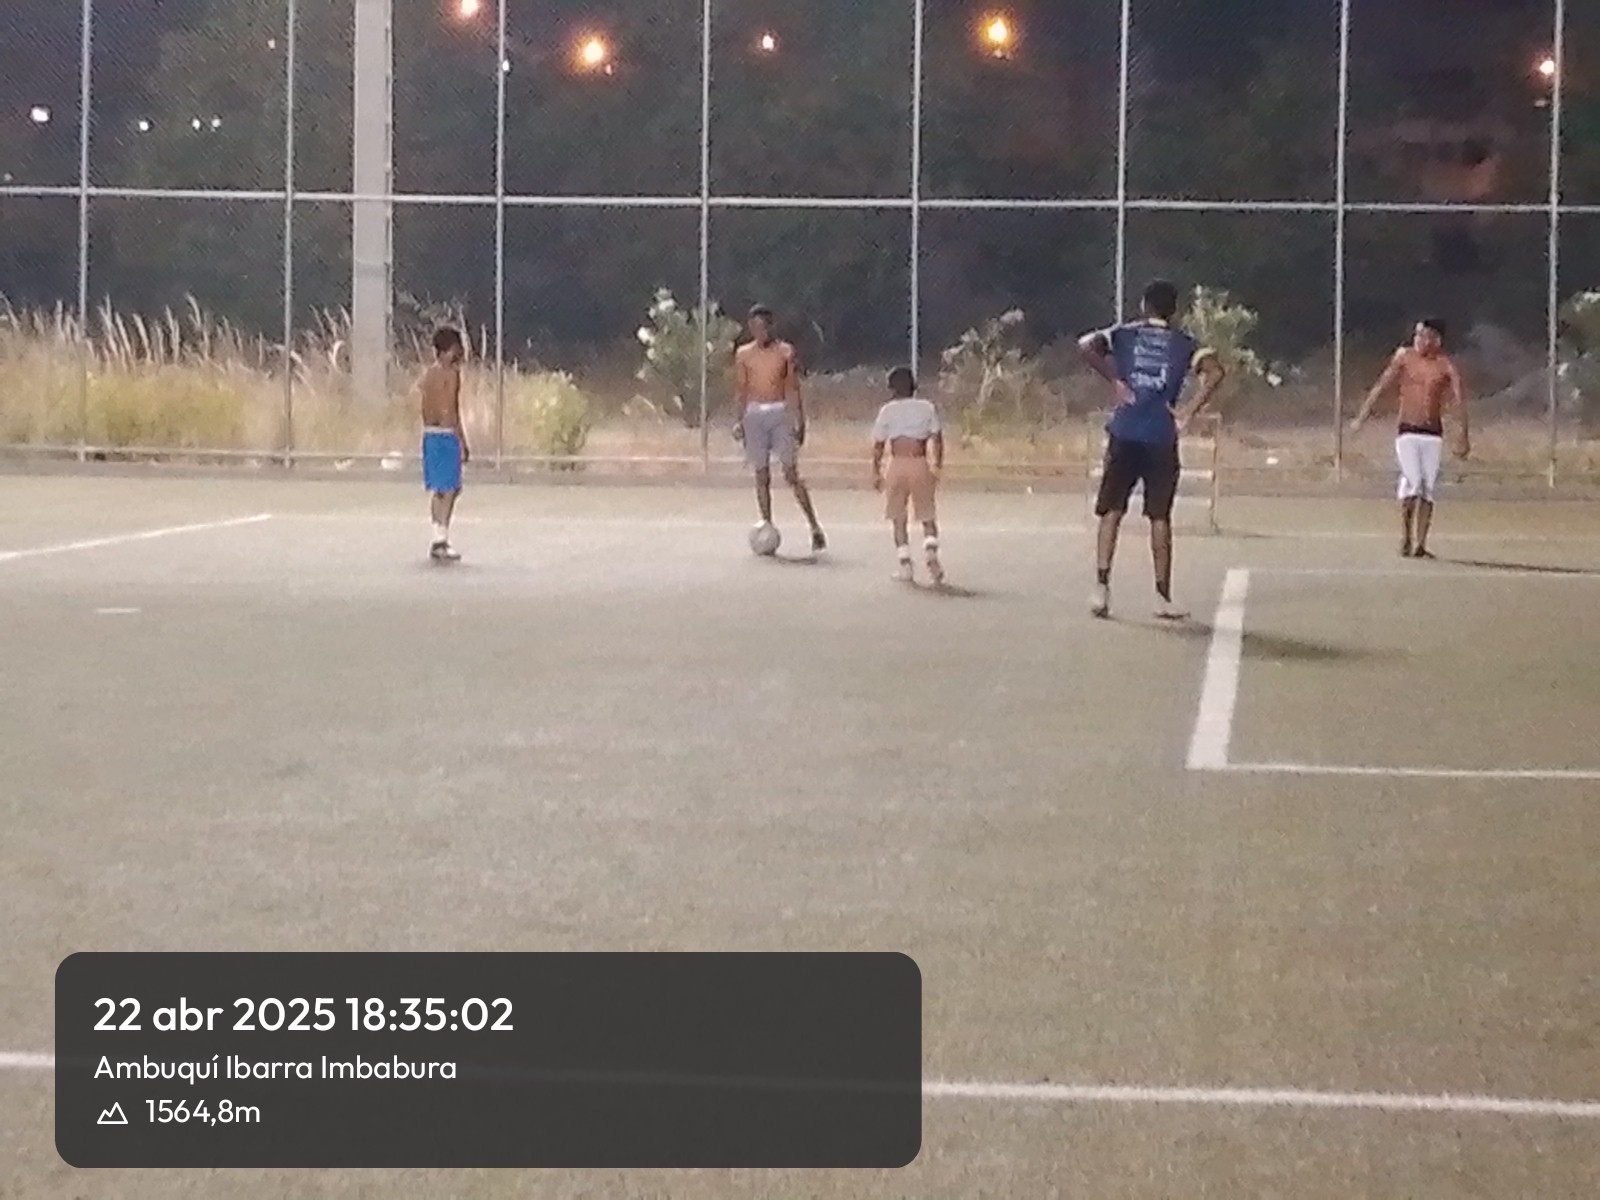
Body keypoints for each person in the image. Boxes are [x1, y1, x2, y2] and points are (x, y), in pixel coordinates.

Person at [1078, 280, 1226, 620]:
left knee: (1112, 510)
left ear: (1144, 305)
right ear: (1174, 310)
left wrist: (1114, 380)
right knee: (1160, 516)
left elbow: (1085, 346)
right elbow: (1217, 372)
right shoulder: (1185, 343)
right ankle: (1162, 596)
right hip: (1161, 436)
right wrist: (1189, 411)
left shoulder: (1124, 334)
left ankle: (1101, 588)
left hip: (1125, 432)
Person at [1349, 318, 1471, 559]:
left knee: (1426, 489)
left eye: (1424, 335)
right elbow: (1381, 386)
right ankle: (1406, 536)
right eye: (1417, 335)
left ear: (1436, 339)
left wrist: (1463, 434)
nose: (1419, 340)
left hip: (1432, 434)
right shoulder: (1405, 358)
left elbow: (1459, 401)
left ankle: (1420, 544)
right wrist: (1361, 417)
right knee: (1415, 481)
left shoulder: (1445, 365)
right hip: (1407, 431)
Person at [733, 305, 826, 555]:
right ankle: (767, 525)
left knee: (790, 473)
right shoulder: (743, 354)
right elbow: (742, 389)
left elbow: (792, 387)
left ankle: (814, 526)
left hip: (779, 412)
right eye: (755, 327)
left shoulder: (785, 352)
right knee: (761, 474)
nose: (760, 332)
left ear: (771, 327)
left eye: (764, 327)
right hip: (754, 414)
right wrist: (739, 420)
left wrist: (800, 421)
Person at [871, 367, 945, 585]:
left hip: (897, 463)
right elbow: (937, 438)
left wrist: (876, 471)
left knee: (898, 516)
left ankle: (905, 565)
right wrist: (937, 464)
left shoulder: (887, 410)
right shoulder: (926, 407)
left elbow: (878, 444)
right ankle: (930, 549)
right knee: (927, 514)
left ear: (892, 388)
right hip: (919, 462)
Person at [420, 327, 469, 563]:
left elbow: (425, 406)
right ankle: (441, 540)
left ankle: (437, 535)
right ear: (447, 350)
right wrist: (461, 439)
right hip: (446, 435)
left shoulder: (428, 375)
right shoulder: (452, 375)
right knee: (450, 488)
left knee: (439, 489)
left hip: (429, 434)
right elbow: (451, 408)